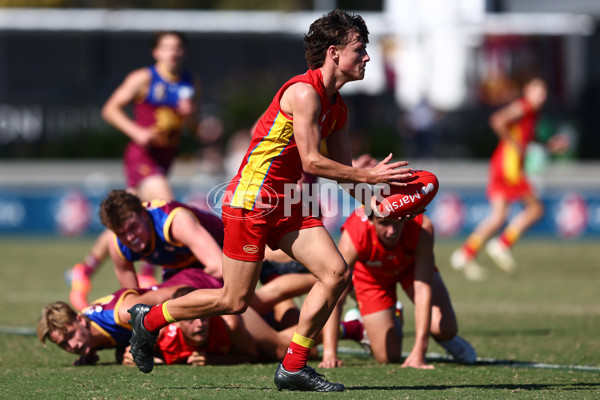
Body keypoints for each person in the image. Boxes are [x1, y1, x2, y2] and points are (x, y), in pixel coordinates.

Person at [126, 9, 411, 392]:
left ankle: (293, 366)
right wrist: (369, 175)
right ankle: (148, 320)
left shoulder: (338, 107)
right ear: (333, 53)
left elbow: (344, 172)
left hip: (290, 199)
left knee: (335, 273)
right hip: (252, 199)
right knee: (234, 300)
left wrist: (385, 204)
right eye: (359, 49)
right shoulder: (303, 93)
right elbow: (313, 160)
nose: (367, 57)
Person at [67, 30, 201, 310]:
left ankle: (85, 269)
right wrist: (136, 131)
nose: (172, 53)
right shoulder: (144, 78)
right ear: (156, 52)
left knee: (126, 215)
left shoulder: (190, 81)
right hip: (142, 155)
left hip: (165, 157)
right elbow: (110, 109)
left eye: (177, 48)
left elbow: (192, 128)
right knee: (165, 205)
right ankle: (148, 274)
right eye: (167, 48)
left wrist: (192, 118)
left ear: (184, 52)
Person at [319, 207, 476, 369]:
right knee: (387, 356)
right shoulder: (354, 234)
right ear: (371, 220)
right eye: (384, 223)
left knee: (444, 327)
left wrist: (420, 351)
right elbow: (337, 294)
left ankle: (447, 340)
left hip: (410, 268)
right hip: (372, 277)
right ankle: (359, 327)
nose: (391, 231)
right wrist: (330, 353)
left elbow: (422, 289)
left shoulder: (421, 227)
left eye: (397, 223)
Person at [450, 77, 566, 280]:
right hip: (508, 167)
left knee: (498, 217)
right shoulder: (523, 107)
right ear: (527, 92)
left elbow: (526, 139)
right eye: (538, 91)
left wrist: (548, 144)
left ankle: (464, 254)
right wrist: (512, 143)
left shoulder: (532, 113)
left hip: (505, 166)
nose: (542, 96)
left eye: (544, 92)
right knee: (536, 208)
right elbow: (497, 120)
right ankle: (502, 244)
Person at [122, 286, 365, 367]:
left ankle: (349, 324)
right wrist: (133, 355)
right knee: (305, 350)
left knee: (280, 349)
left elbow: (251, 355)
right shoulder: (161, 334)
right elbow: (129, 349)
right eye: (192, 319)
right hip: (199, 288)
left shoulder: (229, 323)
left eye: (204, 317)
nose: (200, 323)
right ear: (177, 321)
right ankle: (286, 305)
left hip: (238, 315)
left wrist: (213, 359)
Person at [37, 268, 221, 366]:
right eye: (64, 344)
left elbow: (177, 296)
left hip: (197, 284)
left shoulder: (124, 314)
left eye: (70, 336)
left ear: (80, 320)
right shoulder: (88, 335)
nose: (72, 346)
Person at [99, 189, 224, 288]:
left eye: (133, 227)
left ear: (144, 214)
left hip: (223, 250)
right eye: (121, 233)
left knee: (230, 317)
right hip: (179, 265)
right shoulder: (117, 244)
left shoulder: (174, 221)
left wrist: (171, 291)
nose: (130, 237)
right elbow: (132, 302)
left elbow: (219, 268)